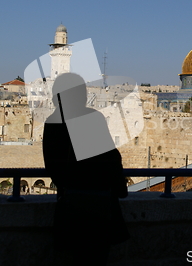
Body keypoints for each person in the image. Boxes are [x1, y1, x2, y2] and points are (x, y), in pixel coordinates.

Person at [42, 73, 129, 265]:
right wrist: (119, 187)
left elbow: (52, 166)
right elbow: (110, 159)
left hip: (72, 203)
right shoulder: (91, 118)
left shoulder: (53, 122)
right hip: (100, 204)